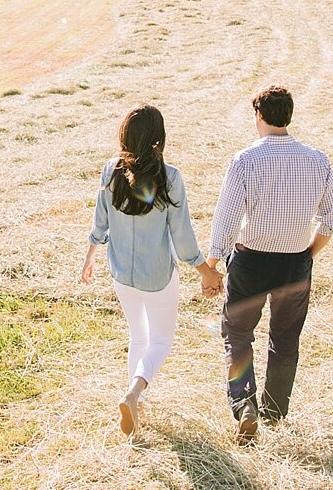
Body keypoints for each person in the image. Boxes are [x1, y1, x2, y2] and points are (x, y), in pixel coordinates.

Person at [204, 85, 333, 444]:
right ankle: (275, 411)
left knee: (237, 334)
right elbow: (331, 221)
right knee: (285, 339)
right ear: (288, 116)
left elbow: (226, 218)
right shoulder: (318, 160)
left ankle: (244, 405)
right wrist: (307, 255)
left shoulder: (245, 160)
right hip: (295, 264)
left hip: (250, 262)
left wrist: (213, 265)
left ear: (259, 116)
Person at [82, 104, 223, 437]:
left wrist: (89, 256)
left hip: (121, 274)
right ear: (160, 138)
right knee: (159, 341)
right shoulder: (169, 177)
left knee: (138, 336)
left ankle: (137, 402)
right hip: (157, 275)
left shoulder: (109, 170)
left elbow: (99, 221)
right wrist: (206, 272)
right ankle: (133, 393)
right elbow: (183, 236)